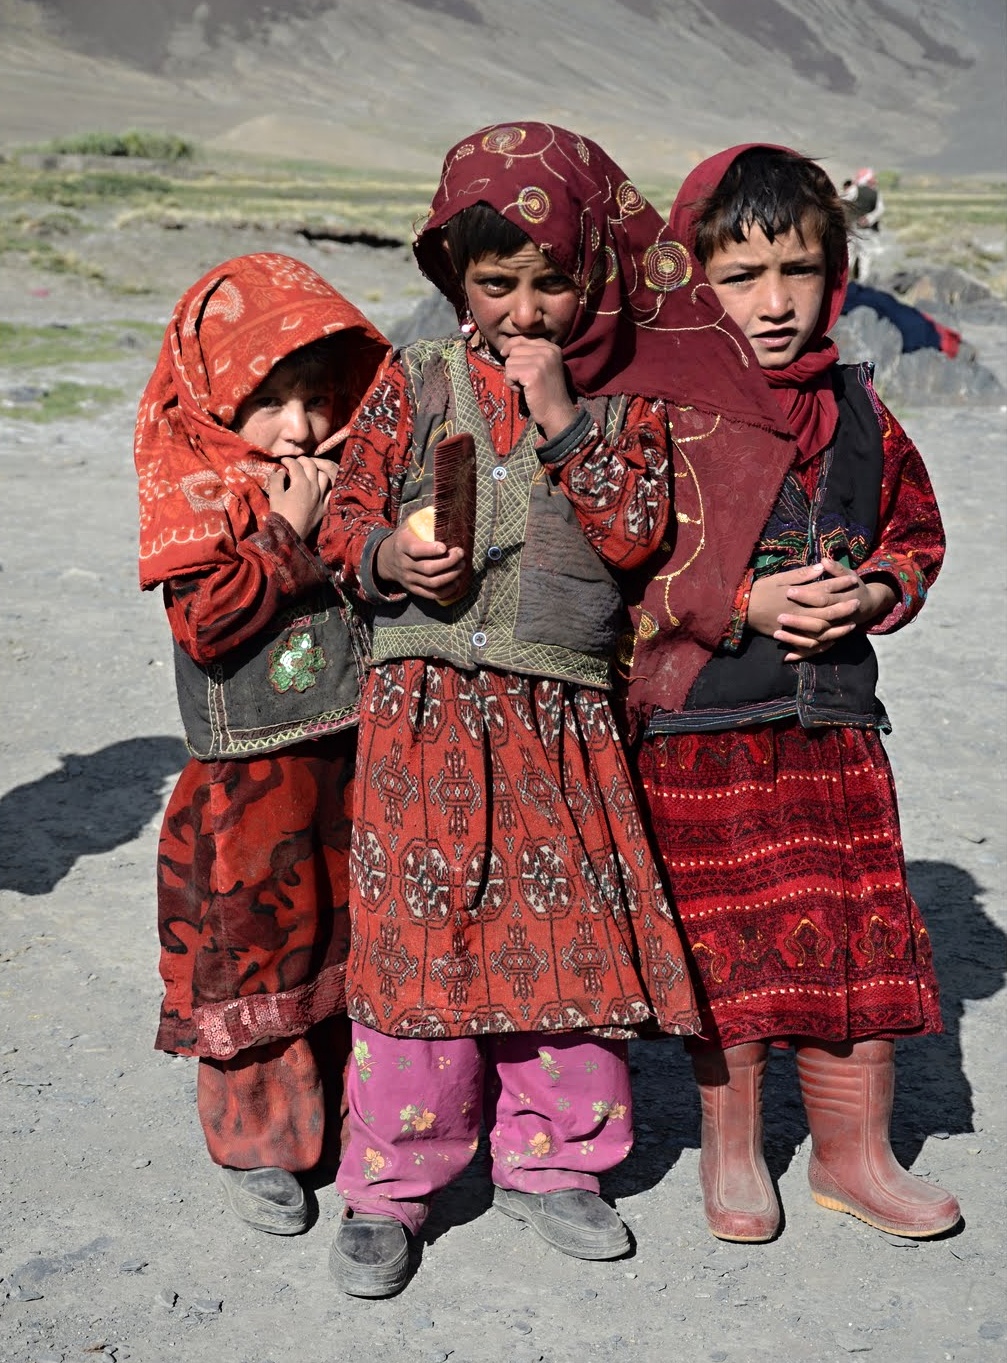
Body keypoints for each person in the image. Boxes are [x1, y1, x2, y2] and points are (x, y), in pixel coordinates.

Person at [316, 120, 734, 1297]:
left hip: (562, 722)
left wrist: (563, 419)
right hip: (425, 712)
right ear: (455, 280)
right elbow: (345, 508)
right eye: (497, 285)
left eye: (553, 283)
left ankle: (554, 1166)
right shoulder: (415, 378)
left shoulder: (630, 403)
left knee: (566, 935)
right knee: (420, 943)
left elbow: (636, 536)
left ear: (595, 275)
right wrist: (394, 560)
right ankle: (391, 1179)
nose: (526, 311)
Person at [625, 145, 961, 1245]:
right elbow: (614, 572)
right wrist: (742, 603)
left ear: (836, 272)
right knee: (727, 945)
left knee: (856, 939)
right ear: (690, 279)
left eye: (799, 271)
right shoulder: (653, 418)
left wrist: (871, 588)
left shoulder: (857, 410)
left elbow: (916, 533)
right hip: (699, 733)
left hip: (831, 731)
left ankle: (851, 1156)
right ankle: (732, 1153)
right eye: (739, 275)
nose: (773, 303)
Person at [134, 253, 389, 1235]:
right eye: (267, 400)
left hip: (349, 768)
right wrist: (285, 532)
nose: (298, 427)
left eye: (313, 397)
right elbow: (206, 622)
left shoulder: (343, 477)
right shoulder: (197, 492)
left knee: (347, 939)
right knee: (258, 957)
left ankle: (347, 1120)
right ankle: (259, 1143)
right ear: (211, 397)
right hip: (249, 796)